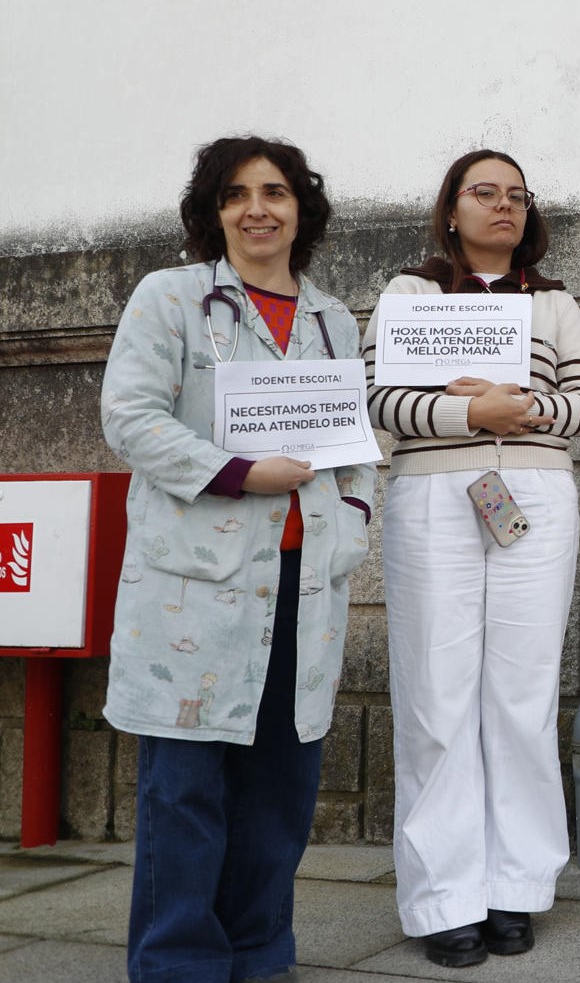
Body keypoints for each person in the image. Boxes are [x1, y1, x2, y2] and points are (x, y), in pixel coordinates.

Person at [101, 136, 374, 983]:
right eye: (235, 195)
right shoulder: (172, 299)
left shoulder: (333, 319)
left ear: (303, 208)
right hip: (196, 585)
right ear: (212, 213)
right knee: (184, 794)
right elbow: (133, 418)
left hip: (303, 584)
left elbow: (356, 446)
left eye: (276, 192)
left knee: (278, 796)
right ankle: (178, 966)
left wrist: (353, 519)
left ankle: (259, 957)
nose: (258, 208)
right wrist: (243, 474)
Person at [362, 150, 580, 967]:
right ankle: (443, 898)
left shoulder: (556, 300)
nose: (503, 207)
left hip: (533, 493)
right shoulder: (410, 292)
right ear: (451, 208)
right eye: (484, 193)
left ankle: (515, 887)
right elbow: (380, 400)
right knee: (436, 693)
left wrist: (522, 409)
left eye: (516, 196)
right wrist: (471, 411)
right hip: (433, 492)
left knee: (521, 692)